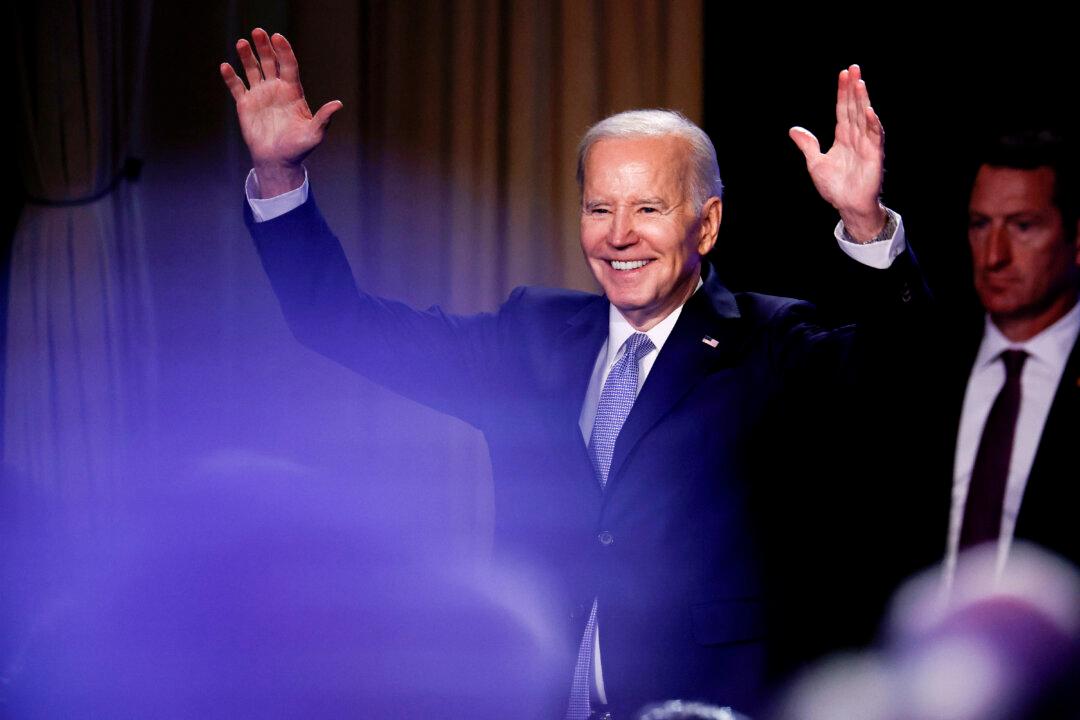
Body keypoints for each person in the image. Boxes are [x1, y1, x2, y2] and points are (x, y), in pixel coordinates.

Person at [220, 28, 920, 719]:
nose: (618, 235)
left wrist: (864, 225)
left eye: (648, 208)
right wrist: (281, 179)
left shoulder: (767, 340)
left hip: (703, 706)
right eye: (598, 209)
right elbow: (341, 323)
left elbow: (902, 376)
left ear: (705, 226)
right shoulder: (532, 335)